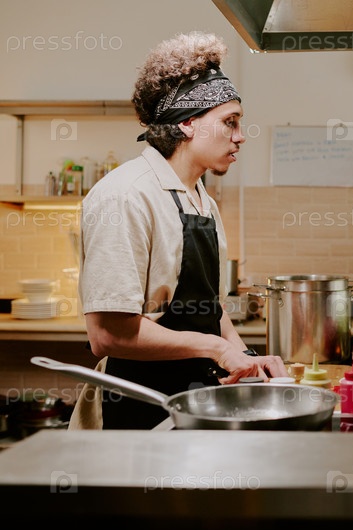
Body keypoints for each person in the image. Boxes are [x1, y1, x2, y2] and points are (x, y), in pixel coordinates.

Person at [79, 32, 288, 430]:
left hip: (195, 403)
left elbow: (211, 311)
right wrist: (217, 349)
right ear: (188, 123)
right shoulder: (125, 195)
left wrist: (247, 360)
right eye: (229, 122)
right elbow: (106, 335)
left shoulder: (200, 197)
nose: (240, 136)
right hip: (139, 411)